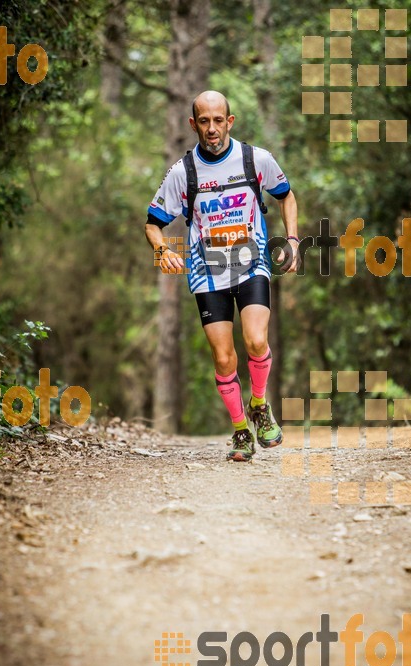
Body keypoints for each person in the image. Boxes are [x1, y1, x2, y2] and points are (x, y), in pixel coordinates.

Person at [145, 90, 299, 462]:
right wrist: (162, 249)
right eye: (204, 121)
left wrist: (292, 239)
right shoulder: (184, 173)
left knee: (257, 340)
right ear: (193, 124)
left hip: (252, 261)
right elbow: (153, 223)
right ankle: (241, 431)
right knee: (224, 358)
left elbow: (287, 196)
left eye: (218, 120)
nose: (211, 129)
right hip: (207, 272)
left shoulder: (255, 159)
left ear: (229, 121)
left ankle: (259, 405)